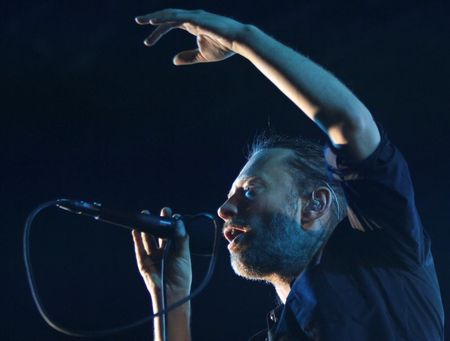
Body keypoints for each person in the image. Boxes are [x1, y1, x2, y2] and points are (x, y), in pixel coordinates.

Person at [131, 9, 444, 341]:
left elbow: (350, 123)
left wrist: (243, 38)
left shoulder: (386, 251)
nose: (224, 210)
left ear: (313, 204)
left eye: (250, 192)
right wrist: (172, 296)